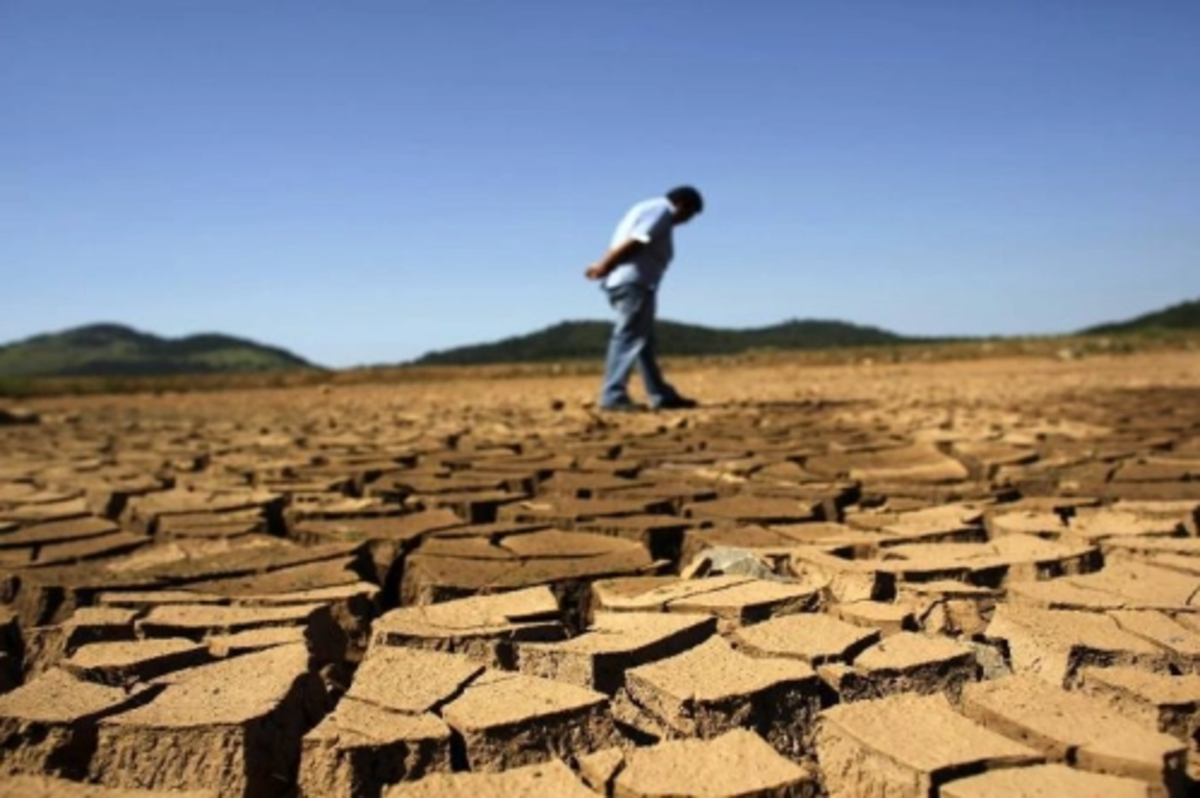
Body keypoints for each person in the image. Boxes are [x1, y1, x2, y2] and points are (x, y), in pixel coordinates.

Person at [584, 186, 704, 412]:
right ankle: (612, 396)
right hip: (634, 283)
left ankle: (661, 394)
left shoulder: (647, 208)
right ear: (682, 206)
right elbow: (637, 240)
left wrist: (606, 266)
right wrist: (604, 266)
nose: (687, 221)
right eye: (690, 215)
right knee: (628, 338)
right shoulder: (661, 212)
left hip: (626, 282)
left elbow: (628, 240)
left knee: (642, 342)